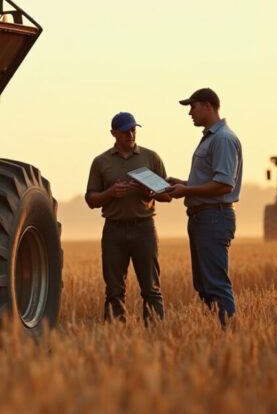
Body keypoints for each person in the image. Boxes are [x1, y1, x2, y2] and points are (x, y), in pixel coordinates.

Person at [166, 88, 242, 327]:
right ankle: (217, 332)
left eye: (193, 106)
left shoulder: (223, 139)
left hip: (213, 218)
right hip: (203, 218)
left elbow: (223, 185)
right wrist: (182, 183)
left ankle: (229, 334)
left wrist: (186, 191)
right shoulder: (211, 138)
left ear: (208, 106)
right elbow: (211, 181)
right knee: (204, 285)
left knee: (216, 284)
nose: (190, 112)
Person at [85, 112, 171, 324]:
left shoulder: (151, 157)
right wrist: (110, 193)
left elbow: (168, 195)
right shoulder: (100, 162)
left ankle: (156, 335)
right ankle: (116, 337)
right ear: (113, 133)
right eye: (125, 131)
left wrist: (148, 191)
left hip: (144, 228)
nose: (131, 135)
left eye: (133, 130)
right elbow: (91, 199)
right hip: (113, 231)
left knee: (151, 289)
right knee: (114, 291)